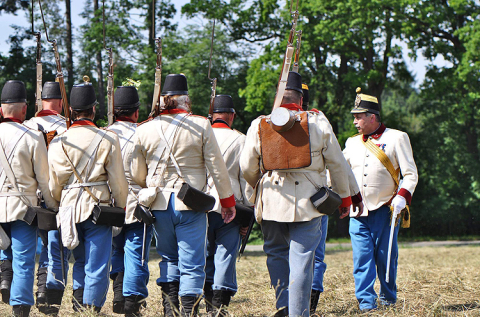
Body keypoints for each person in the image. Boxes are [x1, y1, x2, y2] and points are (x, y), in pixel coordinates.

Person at [240, 72, 353, 317]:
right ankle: (299, 313)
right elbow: (338, 164)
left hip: (271, 200)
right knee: (302, 259)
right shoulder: (318, 121)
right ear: (301, 99)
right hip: (309, 202)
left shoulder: (260, 123)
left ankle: (283, 306)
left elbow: (247, 167)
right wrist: (344, 197)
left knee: (275, 253)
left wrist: (257, 190)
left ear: (278, 97)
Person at [131, 74, 236, 317]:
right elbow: (217, 168)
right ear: (185, 100)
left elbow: (137, 173)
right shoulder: (200, 124)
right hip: (190, 204)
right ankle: (188, 311)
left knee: (168, 258)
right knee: (193, 263)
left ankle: (170, 309)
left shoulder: (144, 129)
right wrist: (228, 202)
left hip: (158, 203)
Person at [48, 78, 128, 312]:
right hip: (98, 208)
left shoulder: (57, 140)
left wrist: (58, 204)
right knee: (97, 263)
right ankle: (90, 308)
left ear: (71, 110)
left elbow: (54, 184)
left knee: (81, 260)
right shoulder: (108, 137)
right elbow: (118, 182)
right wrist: (121, 207)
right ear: (94, 109)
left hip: (69, 207)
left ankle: (79, 303)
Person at [343, 88, 418, 311]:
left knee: (386, 258)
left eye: (358, 116)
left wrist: (402, 197)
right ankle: (367, 304)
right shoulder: (351, 143)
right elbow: (339, 173)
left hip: (386, 210)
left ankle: (388, 299)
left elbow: (411, 174)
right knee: (361, 260)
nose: (355, 121)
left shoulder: (397, 137)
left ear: (372, 116)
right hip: (358, 212)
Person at [0, 80, 58, 317]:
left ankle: (4, 279)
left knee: (5, 252)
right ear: (25, 109)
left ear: (1, 108)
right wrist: (53, 206)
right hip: (24, 207)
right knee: (24, 260)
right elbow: (44, 180)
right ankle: (20, 307)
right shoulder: (33, 137)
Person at [23, 81, 70, 313]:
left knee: (35, 245)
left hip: (31, 194)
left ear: (40, 100)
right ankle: (49, 293)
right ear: (61, 102)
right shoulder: (68, 126)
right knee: (56, 245)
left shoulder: (27, 125)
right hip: (59, 193)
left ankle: (40, 290)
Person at [108, 86, 153, 317]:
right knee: (136, 252)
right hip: (138, 202)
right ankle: (131, 303)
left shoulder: (104, 133)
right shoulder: (144, 133)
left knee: (116, 249)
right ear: (136, 112)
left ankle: (118, 293)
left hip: (111, 203)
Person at [204, 95, 250, 316]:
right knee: (225, 255)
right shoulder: (240, 139)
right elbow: (246, 179)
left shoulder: (199, 135)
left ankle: (205, 300)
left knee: (203, 255)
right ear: (231, 116)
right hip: (230, 205)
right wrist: (247, 215)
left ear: (211, 116)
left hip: (201, 204)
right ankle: (219, 306)